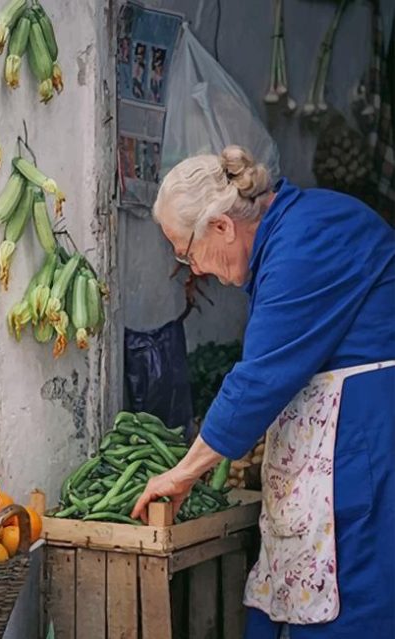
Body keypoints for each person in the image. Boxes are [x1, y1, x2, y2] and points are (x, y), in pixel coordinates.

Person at [131, 145, 395, 639]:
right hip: (336, 445)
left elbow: (258, 381)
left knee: (354, 605)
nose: (194, 268)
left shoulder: (307, 240)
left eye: (187, 252)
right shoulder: (293, 232)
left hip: (365, 441)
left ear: (223, 227)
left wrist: (183, 475)